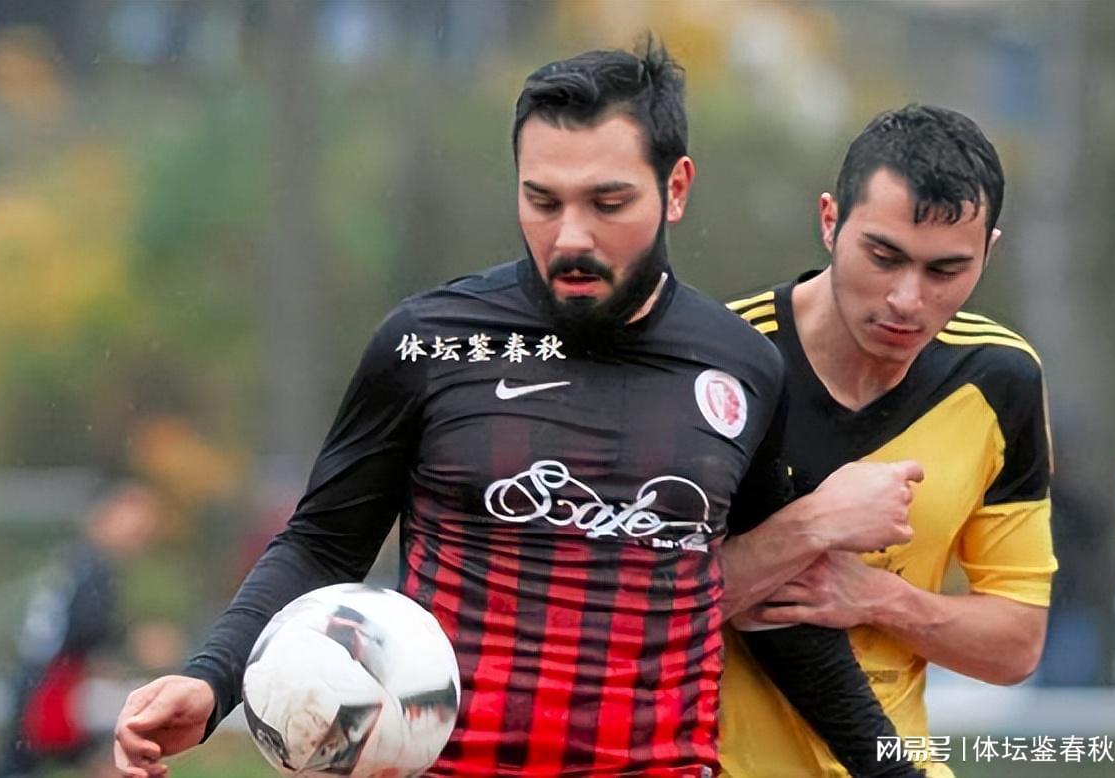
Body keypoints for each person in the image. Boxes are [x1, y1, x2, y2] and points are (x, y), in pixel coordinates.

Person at [113, 42, 921, 778]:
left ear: (676, 189)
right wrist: (210, 680)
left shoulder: (743, 367)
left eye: (608, 202)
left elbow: (781, 614)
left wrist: (894, 772)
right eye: (543, 200)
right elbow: (324, 543)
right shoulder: (429, 344)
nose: (570, 237)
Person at [716, 105, 1057, 777]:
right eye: (884, 256)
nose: (907, 299)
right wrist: (809, 528)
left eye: (944, 271)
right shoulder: (722, 361)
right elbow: (634, 615)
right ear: (829, 221)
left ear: (988, 253)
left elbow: (1016, 646)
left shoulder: (1001, 379)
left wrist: (878, 598)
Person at [0, 482, 161, 778]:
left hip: (38, 683)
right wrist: (132, 645)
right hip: (48, 687)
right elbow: (87, 627)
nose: (139, 539)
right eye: (136, 529)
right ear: (105, 517)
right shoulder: (93, 568)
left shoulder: (76, 561)